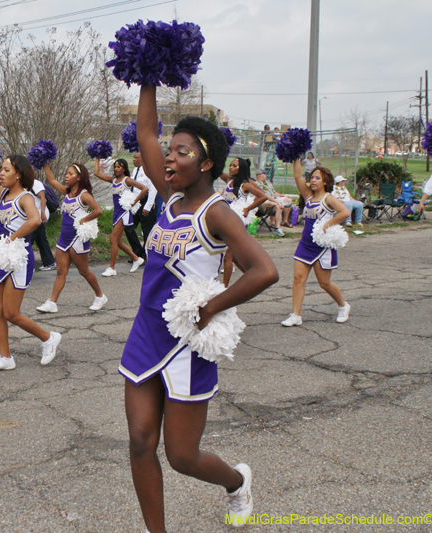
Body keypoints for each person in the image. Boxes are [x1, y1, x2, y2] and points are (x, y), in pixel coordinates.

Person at [124, 84, 278, 532]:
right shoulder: (169, 198)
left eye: (182, 152)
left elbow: (263, 269)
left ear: (206, 162)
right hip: (146, 332)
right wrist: (148, 77)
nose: (169, 158)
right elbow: (146, 135)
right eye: (170, 152)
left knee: (182, 456)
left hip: (188, 340)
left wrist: (211, 307)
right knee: (138, 441)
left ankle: (237, 481)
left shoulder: (216, 212)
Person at [0, 154, 62, 372]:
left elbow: (34, 220)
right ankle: (5, 357)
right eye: (1, 170)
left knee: (11, 312)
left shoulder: (25, 198)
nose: (1, 173)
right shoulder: (3, 193)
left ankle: (49, 337)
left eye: (6, 170)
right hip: (3, 257)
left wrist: (11, 239)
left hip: (19, 259)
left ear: (19, 174)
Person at [281, 160, 351, 327]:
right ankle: (296, 315)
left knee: (324, 284)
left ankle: (343, 305)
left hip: (322, 247)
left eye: (317, 178)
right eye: (311, 177)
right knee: (298, 279)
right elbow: (298, 176)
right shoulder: (308, 196)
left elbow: (345, 212)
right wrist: (296, 158)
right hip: (305, 244)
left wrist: (328, 224)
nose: (312, 180)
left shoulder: (329, 199)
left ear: (325, 181)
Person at [35, 162, 107, 313]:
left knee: (84, 271)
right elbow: (52, 180)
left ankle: (100, 296)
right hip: (64, 238)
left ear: (79, 177)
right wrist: (45, 161)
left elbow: (98, 210)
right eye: (66, 173)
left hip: (77, 239)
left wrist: (83, 220)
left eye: (71, 174)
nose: (67, 176)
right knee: (61, 272)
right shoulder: (67, 192)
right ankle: (52, 303)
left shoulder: (84, 195)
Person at [93, 157, 148, 276]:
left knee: (113, 239)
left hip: (123, 213)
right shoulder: (113, 181)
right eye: (115, 167)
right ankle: (136, 258)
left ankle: (112, 268)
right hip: (116, 212)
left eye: (118, 167)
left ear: (124, 169)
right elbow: (96, 173)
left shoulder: (127, 180)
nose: (116, 169)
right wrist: (97, 157)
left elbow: (145, 189)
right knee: (119, 242)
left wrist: (134, 201)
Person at [221, 158, 268, 287]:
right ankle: (253, 277)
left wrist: (248, 208)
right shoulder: (228, 181)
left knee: (228, 256)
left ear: (241, 168)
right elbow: (216, 171)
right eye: (230, 165)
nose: (230, 168)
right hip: (226, 219)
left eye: (234, 166)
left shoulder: (245, 185)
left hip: (237, 221)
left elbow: (263, 196)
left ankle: (223, 288)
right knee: (234, 256)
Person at [130, 151, 159, 255]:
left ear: (142, 159)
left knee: (147, 231)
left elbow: (153, 189)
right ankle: (137, 252)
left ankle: (147, 255)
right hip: (135, 203)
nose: (134, 159)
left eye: (136, 157)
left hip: (145, 202)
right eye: (134, 157)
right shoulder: (135, 170)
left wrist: (148, 207)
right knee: (129, 228)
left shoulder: (149, 171)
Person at [30, 178, 57, 271]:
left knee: (27, 241)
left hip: (39, 216)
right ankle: (50, 262)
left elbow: (43, 198)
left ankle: (28, 265)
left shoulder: (35, 183)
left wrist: (42, 213)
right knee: (41, 239)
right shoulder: (22, 183)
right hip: (34, 216)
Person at [254, 168, 288, 236]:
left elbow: (273, 193)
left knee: (278, 207)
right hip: (259, 206)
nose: (266, 175)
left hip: (271, 203)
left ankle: (277, 228)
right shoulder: (255, 184)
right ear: (259, 175)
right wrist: (277, 202)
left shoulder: (268, 183)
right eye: (264, 174)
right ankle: (273, 221)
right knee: (267, 202)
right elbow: (264, 195)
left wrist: (279, 201)